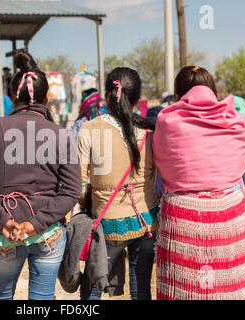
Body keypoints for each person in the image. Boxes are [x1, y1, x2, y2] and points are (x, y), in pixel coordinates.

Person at [0, 51, 81, 300]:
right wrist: (35, 224)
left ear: (11, 97)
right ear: (47, 98)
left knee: (0, 295)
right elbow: (72, 191)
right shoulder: (61, 135)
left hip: (4, 233)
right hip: (48, 232)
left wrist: (2, 219)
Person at [153, 66, 245, 300]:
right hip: (229, 216)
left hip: (183, 218)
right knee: (230, 290)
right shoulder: (238, 123)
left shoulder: (166, 122)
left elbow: (162, 163)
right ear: (213, 91)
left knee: (185, 290)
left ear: (178, 94)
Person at [77, 68, 158, 300]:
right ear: (138, 96)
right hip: (146, 220)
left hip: (106, 222)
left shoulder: (89, 129)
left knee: (92, 288)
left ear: (107, 94)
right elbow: (155, 177)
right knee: (142, 288)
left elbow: (79, 184)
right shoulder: (150, 132)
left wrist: (86, 202)